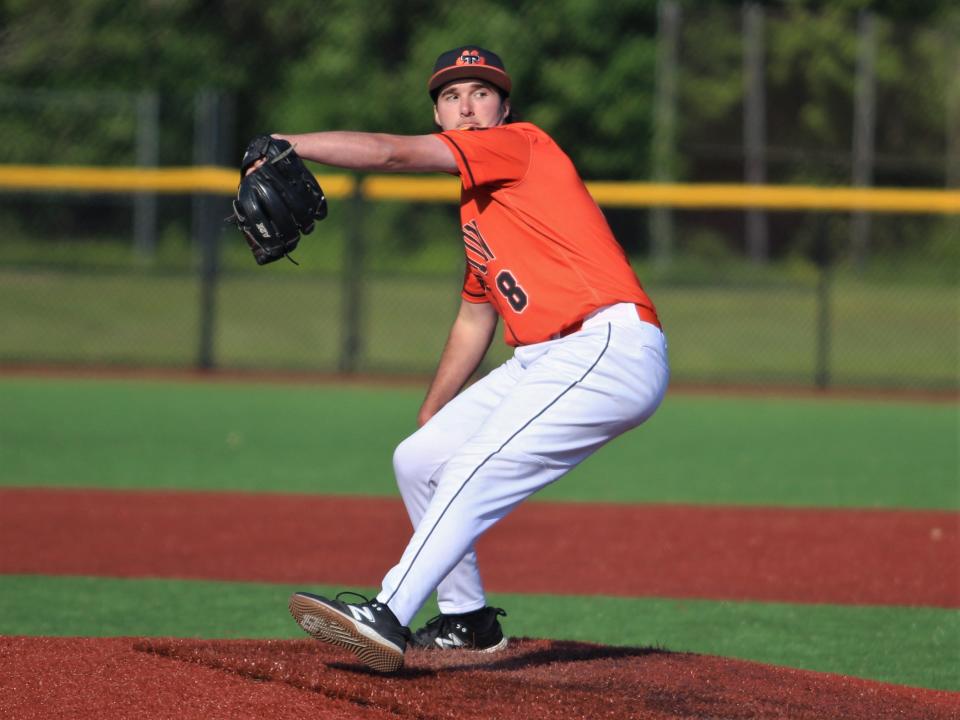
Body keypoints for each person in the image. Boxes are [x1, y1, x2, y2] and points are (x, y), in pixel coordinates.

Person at [280, 46, 670, 673]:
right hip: (544, 359)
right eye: (451, 95)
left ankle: (386, 612)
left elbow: (388, 154)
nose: (466, 105)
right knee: (421, 459)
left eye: (481, 92)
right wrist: (435, 409)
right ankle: (468, 620)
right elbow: (475, 316)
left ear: (504, 108)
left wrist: (286, 142)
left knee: (471, 467)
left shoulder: (519, 145)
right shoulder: (481, 212)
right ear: (439, 112)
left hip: (606, 345)